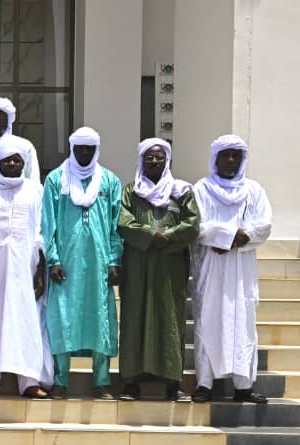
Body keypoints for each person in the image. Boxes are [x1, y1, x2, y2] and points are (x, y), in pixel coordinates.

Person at [40, 127, 122, 400]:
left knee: (100, 320)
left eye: (89, 149)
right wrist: (53, 259)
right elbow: (47, 223)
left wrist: (113, 259)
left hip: (98, 266)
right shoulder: (56, 179)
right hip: (66, 265)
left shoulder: (109, 181)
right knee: (63, 318)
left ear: (96, 150)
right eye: (79, 148)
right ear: (72, 149)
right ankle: (60, 382)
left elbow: (115, 225)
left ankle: (101, 382)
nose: (84, 153)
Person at [190, 134, 272, 404]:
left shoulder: (254, 190)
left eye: (236, 155)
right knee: (208, 320)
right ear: (216, 158)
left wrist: (237, 239)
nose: (231, 160)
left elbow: (264, 225)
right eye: (226, 154)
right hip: (212, 266)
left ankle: (243, 386)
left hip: (242, 267)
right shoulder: (201, 188)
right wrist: (226, 235)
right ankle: (204, 383)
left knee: (243, 323)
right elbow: (197, 226)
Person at [118, 138, 199, 401]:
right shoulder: (131, 190)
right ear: (142, 160)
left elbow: (193, 223)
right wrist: (151, 235)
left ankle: (172, 383)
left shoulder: (181, 190)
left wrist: (170, 235)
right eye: (149, 157)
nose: (154, 161)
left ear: (167, 161)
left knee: (170, 318)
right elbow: (123, 221)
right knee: (134, 318)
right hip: (138, 264)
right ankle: (131, 383)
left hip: (170, 265)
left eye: (159, 157)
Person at [0, 139, 51, 399]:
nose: (12, 163)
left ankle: (29, 380)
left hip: (26, 266)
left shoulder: (35, 190)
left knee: (27, 320)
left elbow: (42, 231)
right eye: (6, 159)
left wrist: (40, 271)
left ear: (23, 163)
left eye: (16, 160)